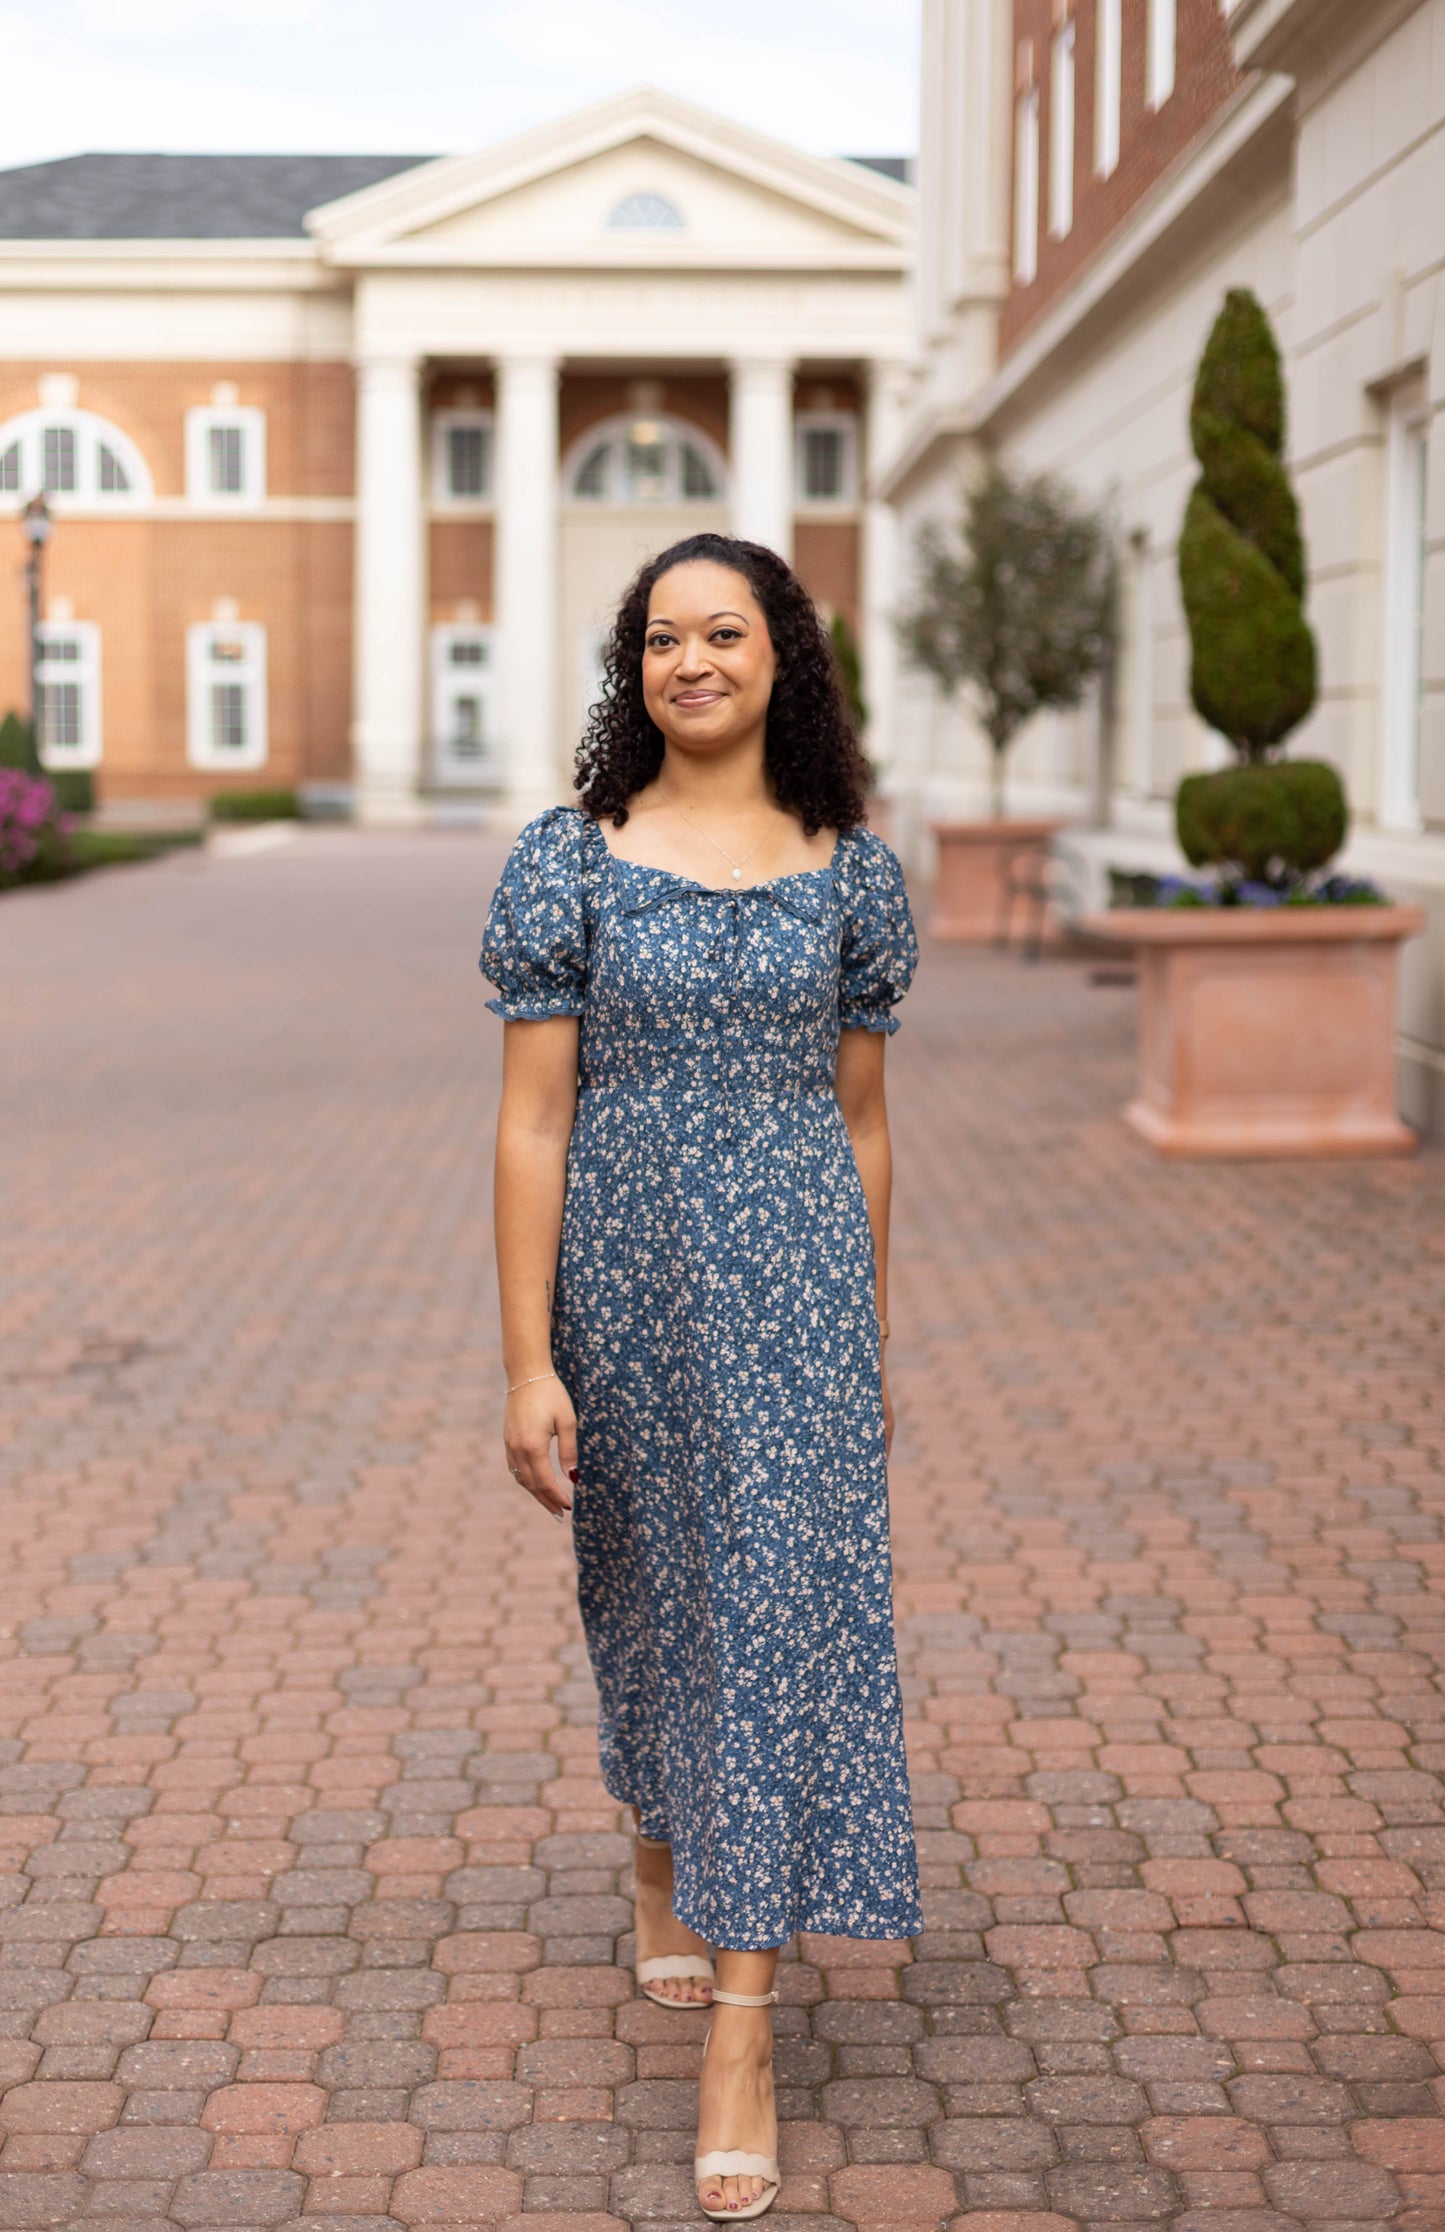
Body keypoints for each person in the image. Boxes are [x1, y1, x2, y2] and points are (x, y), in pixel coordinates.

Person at [480, 531, 922, 2221]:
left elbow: (865, 1124)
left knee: (776, 1616)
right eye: (660, 640)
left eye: (722, 633)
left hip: (802, 1301)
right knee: (654, 1591)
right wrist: (526, 1358)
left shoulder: (849, 873)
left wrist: (867, 1336)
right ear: (634, 670)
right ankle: (660, 1853)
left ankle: (745, 2025)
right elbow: (531, 1120)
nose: (690, 663)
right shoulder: (570, 860)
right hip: (629, 1288)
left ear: (780, 655)